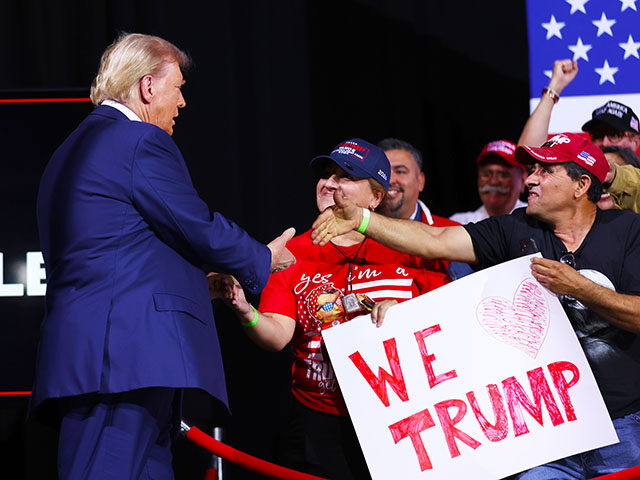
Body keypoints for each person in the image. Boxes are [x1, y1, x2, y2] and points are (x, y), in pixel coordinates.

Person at [32, 33, 295, 479]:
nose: (182, 103)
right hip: (121, 366)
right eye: (178, 89)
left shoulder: (70, 149)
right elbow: (194, 223)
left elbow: (117, 250)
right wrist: (260, 257)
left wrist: (196, 284)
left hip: (111, 362)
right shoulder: (135, 140)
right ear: (148, 87)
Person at [311, 132, 640, 479]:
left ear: (581, 184)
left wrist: (580, 288)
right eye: (532, 170)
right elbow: (434, 239)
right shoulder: (513, 227)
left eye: (545, 171)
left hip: (623, 425)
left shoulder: (628, 231)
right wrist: (362, 219)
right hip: (546, 434)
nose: (529, 179)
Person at [209, 138, 450, 480]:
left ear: (376, 197)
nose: (331, 183)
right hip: (318, 422)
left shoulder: (414, 244)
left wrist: (404, 315)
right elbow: (277, 335)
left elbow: (448, 319)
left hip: (400, 415)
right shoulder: (292, 251)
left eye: (346, 176)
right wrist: (245, 312)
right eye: (327, 173)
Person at [378, 137, 472, 279]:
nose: (390, 180)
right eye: (383, 172)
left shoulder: (451, 230)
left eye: (400, 171)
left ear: (420, 181)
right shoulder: (355, 235)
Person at [518, 58, 640, 151]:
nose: (604, 143)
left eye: (614, 135)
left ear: (635, 142)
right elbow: (529, 154)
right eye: (597, 135)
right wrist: (554, 86)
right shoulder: (577, 178)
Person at [449, 139, 527, 224]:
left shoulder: (535, 221)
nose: (493, 182)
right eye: (486, 174)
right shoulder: (458, 223)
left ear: (523, 181)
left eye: (503, 175)